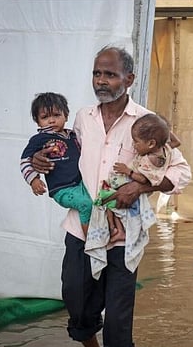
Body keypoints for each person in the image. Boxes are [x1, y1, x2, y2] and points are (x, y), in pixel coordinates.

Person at [29, 46, 191, 347]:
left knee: (118, 315)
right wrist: (41, 161)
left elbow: (181, 170)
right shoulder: (81, 118)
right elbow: (63, 158)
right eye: (97, 73)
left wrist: (142, 187)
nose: (101, 81)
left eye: (110, 74)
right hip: (82, 227)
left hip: (124, 232)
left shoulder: (148, 121)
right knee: (76, 301)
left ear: (129, 79)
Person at [86, 113, 178, 280]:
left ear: (151, 143)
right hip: (153, 147)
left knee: (104, 201)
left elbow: (143, 179)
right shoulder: (165, 149)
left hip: (130, 184)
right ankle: (117, 229)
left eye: (136, 142)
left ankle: (116, 229)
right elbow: (176, 142)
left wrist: (127, 171)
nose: (134, 146)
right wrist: (163, 130)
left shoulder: (149, 160)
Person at [20, 92, 120, 239]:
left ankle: (111, 230)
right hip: (62, 189)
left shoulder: (72, 135)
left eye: (56, 115)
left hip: (81, 184)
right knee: (86, 204)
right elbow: (25, 160)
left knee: (105, 194)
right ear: (37, 121)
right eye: (45, 117)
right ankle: (90, 240)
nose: (52, 121)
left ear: (66, 116)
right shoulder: (39, 139)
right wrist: (34, 180)